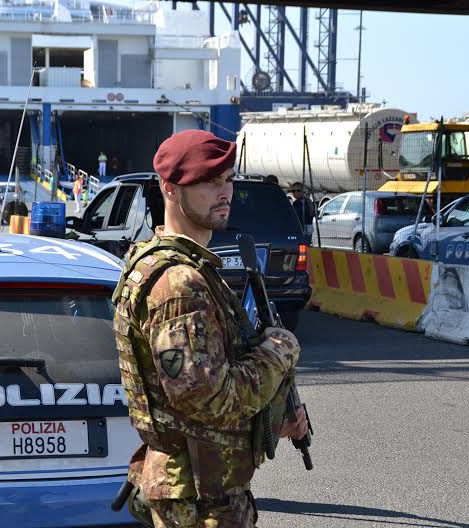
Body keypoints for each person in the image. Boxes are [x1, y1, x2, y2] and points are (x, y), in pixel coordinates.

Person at [113, 129, 307, 527]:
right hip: (201, 502)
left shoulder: (181, 266)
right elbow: (209, 401)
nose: (224, 192)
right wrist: (280, 350)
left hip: (205, 487)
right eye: (207, 182)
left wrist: (276, 421)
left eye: (228, 180)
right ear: (170, 188)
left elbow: (196, 398)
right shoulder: (178, 283)